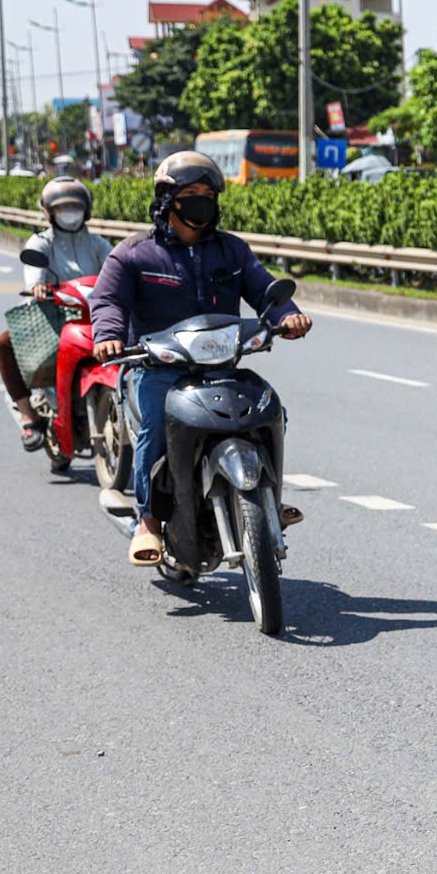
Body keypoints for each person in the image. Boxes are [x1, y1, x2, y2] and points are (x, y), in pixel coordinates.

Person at [90, 151, 313, 566]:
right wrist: (108, 337)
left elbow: (265, 292)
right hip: (157, 369)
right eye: (190, 193)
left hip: (220, 367)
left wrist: (288, 316)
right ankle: (149, 522)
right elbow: (107, 302)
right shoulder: (134, 254)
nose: (201, 201)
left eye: (208, 194)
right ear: (166, 200)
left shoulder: (232, 251)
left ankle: (266, 496)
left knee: (269, 411)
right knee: (155, 428)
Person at [0, 176, 112, 449]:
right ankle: (28, 416)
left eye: (74, 207)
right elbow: (34, 274)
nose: (69, 214)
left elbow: (115, 271)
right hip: (52, 316)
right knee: (3, 345)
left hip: (94, 317)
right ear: (48, 212)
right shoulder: (39, 243)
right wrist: (36, 287)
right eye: (61, 208)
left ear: (86, 209)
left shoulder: (99, 244)